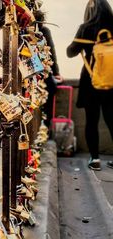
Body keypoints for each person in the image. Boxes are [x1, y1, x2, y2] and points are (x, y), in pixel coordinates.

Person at [67, 0, 113, 171]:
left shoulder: (86, 28)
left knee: (91, 121)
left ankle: (95, 159)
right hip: (112, 82)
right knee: (112, 119)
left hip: (91, 82)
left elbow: (70, 52)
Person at [33, 10, 63, 130]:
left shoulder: (23, 31)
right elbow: (51, 52)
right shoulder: (44, 31)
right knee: (47, 107)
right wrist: (56, 73)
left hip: (31, 75)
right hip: (44, 76)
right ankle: (46, 132)